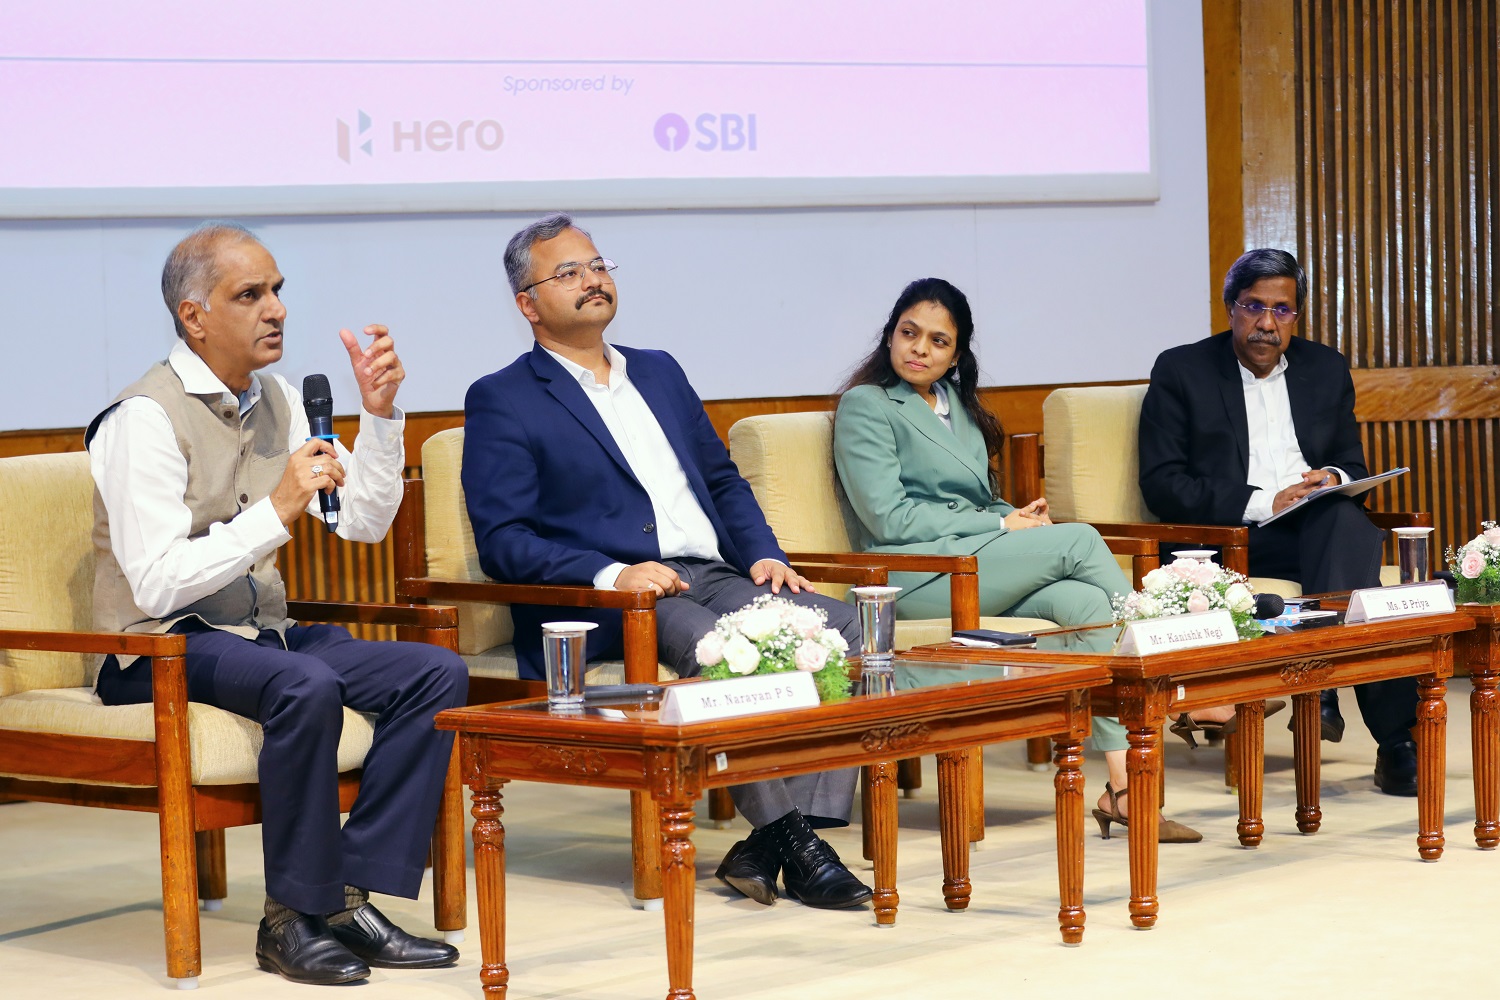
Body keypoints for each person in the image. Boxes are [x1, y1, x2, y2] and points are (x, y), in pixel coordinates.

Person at [86, 222, 468, 985]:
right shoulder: (143, 419)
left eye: (279, 291)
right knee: (306, 682)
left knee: (435, 674)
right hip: (154, 647)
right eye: (250, 295)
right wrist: (275, 510)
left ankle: (347, 895)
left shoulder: (280, 399)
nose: (277, 311)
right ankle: (289, 920)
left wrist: (382, 414)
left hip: (261, 633)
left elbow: (361, 521)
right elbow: (157, 583)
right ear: (194, 317)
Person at [462, 213, 871, 910]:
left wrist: (765, 556)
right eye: (568, 272)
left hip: (713, 574)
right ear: (527, 305)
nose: (592, 280)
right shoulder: (503, 397)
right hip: (617, 601)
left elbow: (720, 481)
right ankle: (796, 843)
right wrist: (610, 574)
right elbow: (505, 538)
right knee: (725, 654)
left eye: (597, 265)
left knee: (839, 630)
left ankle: (776, 838)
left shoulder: (658, 369)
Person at [833, 277, 1236, 843]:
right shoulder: (867, 404)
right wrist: (1001, 524)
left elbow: (971, 502)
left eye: (938, 341)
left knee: (1087, 602)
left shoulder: (956, 408)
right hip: (910, 572)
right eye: (909, 333)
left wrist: (1017, 513)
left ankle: (1121, 789)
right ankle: (1196, 680)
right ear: (890, 335)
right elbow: (889, 519)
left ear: (956, 355)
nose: (920, 348)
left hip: (974, 559)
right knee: (1080, 540)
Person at [1138, 248, 1418, 796]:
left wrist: (1332, 477)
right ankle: (1380, 729)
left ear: (1297, 315)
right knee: (1358, 573)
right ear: (1230, 309)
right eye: (1254, 306)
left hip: (1317, 533)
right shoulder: (1182, 369)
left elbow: (1352, 462)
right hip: (1232, 542)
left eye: (1282, 310)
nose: (1267, 323)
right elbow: (1163, 484)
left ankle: (1336, 693)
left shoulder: (1325, 367)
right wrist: (1269, 501)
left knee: (1342, 518)